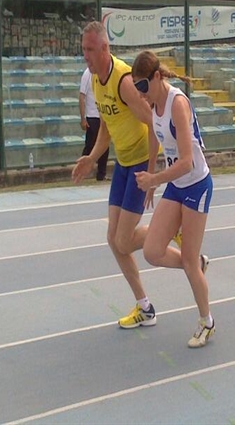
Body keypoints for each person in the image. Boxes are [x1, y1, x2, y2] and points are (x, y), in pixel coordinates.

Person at [72, 21, 159, 330]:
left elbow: (155, 124)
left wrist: (151, 173)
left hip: (138, 166)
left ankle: (166, 226)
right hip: (122, 164)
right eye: (84, 50)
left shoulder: (123, 81)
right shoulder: (96, 80)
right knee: (113, 240)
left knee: (123, 241)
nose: (86, 56)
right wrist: (91, 158)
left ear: (105, 49)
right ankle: (144, 306)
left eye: (91, 50)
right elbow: (107, 128)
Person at [133, 50, 214, 349]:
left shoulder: (178, 103)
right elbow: (155, 134)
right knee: (152, 251)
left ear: (156, 77)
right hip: (175, 186)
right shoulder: (153, 103)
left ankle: (207, 321)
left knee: (189, 262)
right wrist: (152, 173)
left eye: (143, 87)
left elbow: (186, 163)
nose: (141, 94)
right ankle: (197, 264)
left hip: (195, 185)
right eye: (136, 87)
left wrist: (154, 180)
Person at [79, 66, 109, 181]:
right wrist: (83, 118)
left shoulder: (102, 74)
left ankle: (101, 173)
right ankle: (81, 170)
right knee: (91, 145)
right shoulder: (88, 74)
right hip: (92, 116)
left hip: (101, 115)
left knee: (104, 146)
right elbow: (82, 96)